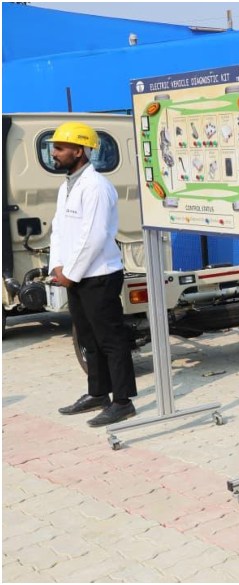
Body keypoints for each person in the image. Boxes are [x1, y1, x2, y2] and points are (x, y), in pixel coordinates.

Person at [48, 121, 138, 426]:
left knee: (111, 339)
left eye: (60, 148)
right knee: (88, 338)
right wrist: (58, 266)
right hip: (76, 275)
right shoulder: (67, 186)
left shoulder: (97, 187)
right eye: (54, 147)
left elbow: (96, 236)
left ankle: (123, 401)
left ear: (79, 150)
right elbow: (59, 229)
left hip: (99, 275)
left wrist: (71, 273)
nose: (54, 153)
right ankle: (98, 393)